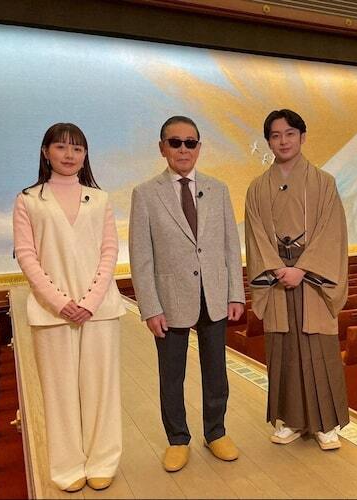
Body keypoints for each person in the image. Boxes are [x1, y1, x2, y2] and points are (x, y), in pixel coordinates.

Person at [13, 122, 126, 492]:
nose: (69, 155)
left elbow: (109, 251)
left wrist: (89, 301)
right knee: (59, 393)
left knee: (101, 389)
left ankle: (103, 460)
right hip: (51, 313)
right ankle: (67, 467)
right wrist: (61, 302)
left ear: (85, 155)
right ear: (46, 152)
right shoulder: (29, 200)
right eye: (61, 147)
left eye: (77, 148)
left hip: (100, 310)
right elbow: (27, 256)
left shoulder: (100, 199)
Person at [129, 116, 245, 472]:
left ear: (199, 147)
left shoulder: (218, 189)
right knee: (171, 376)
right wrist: (150, 307)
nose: (183, 149)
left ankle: (216, 432)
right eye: (175, 142)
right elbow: (141, 256)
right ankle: (177, 438)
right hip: (169, 299)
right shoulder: (145, 194)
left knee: (216, 371)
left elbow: (230, 246)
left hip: (214, 295)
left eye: (190, 143)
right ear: (162, 147)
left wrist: (236, 293)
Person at [244, 109, 350, 450]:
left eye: (290, 133)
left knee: (318, 347)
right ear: (268, 142)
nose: (283, 141)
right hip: (277, 277)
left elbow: (331, 232)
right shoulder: (257, 188)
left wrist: (302, 269)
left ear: (302, 137)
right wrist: (278, 269)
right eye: (275, 136)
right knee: (284, 349)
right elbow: (256, 235)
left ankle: (325, 424)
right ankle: (290, 420)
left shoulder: (324, 183)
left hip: (313, 278)